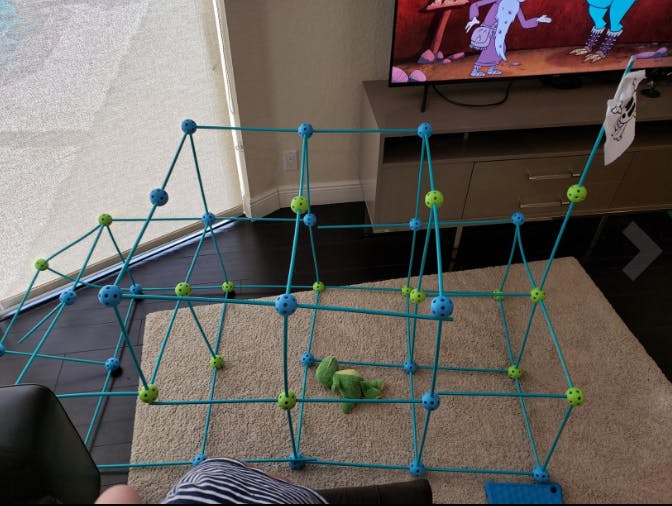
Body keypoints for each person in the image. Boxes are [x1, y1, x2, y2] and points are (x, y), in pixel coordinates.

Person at [95, 458, 328, 504]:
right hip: (212, 479)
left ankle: (265, 477)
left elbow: (122, 492)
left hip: (213, 478)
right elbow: (121, 493)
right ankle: (266, 478)